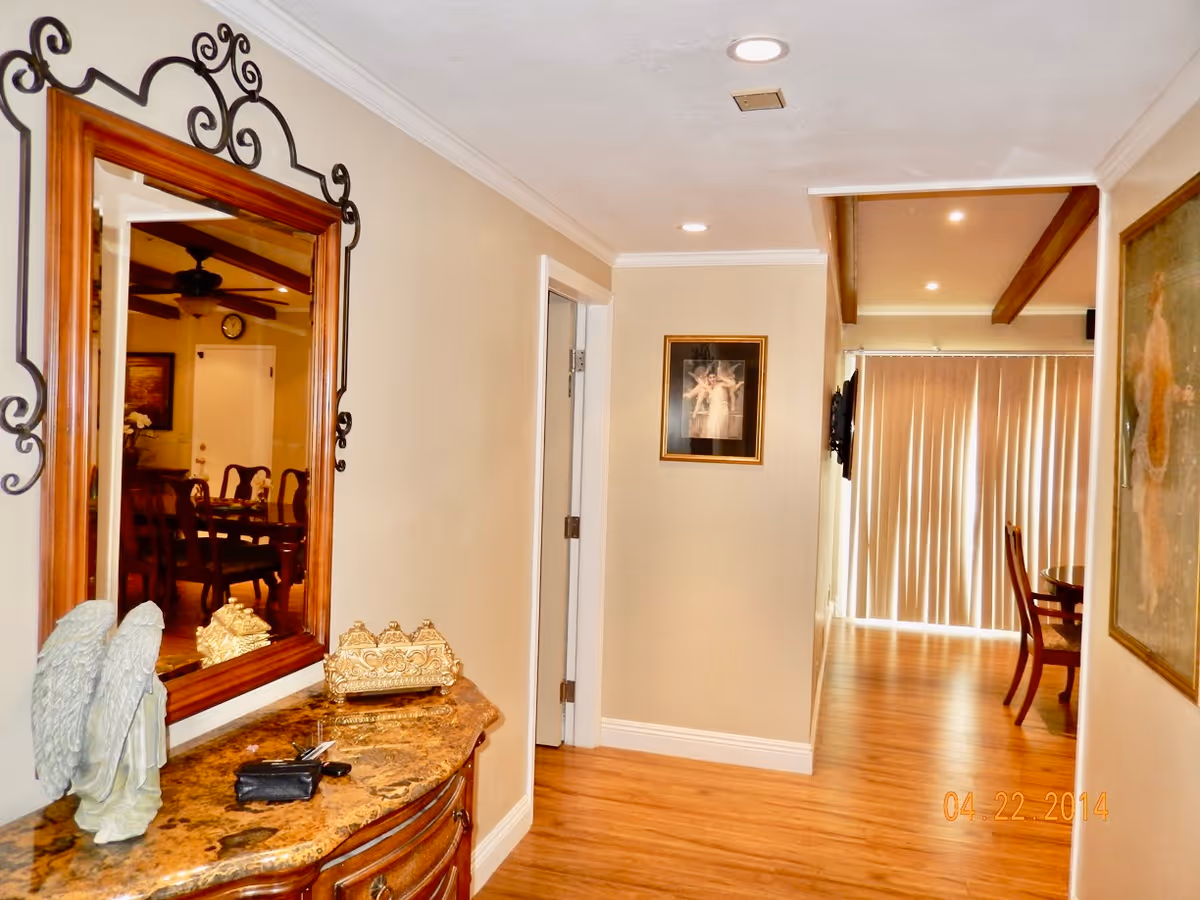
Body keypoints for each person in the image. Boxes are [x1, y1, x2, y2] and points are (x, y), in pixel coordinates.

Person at [1129, 271, 1193, 615]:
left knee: (1149, 521)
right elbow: (1158, 386)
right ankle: (1151, 589)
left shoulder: (1157, 334)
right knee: (1146, 521)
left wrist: (1178, 394)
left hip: (1151, 447)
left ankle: (1153, 589)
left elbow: (1160, 385)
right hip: (1148, 446)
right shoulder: (1154, 337)